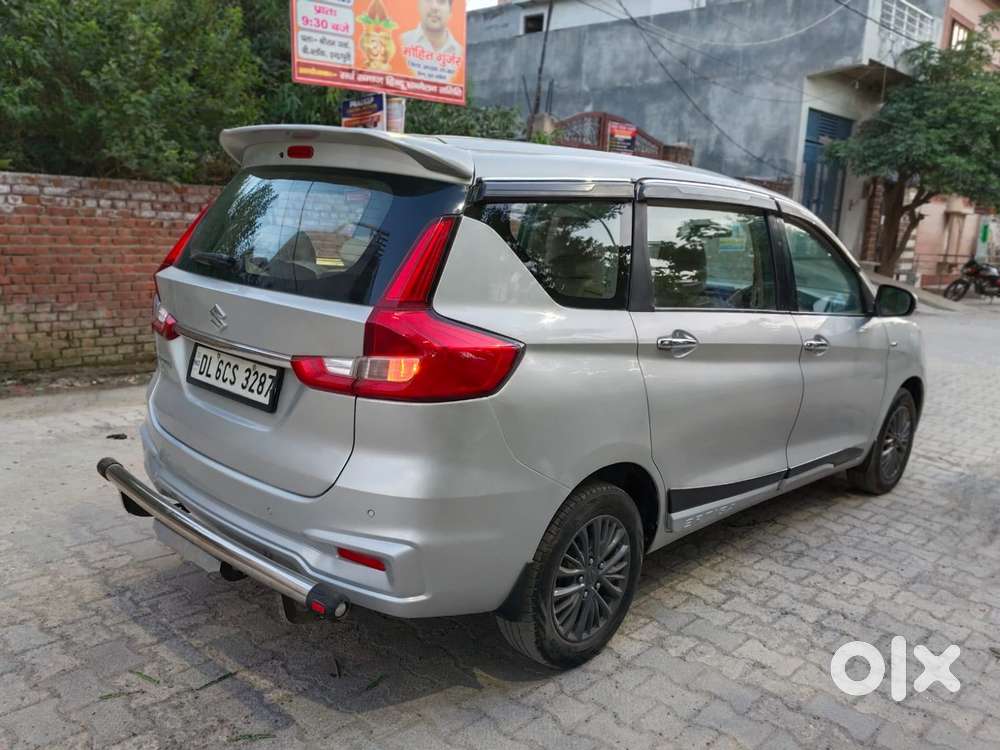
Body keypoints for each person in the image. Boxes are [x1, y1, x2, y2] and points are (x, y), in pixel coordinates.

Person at [401, 0, 462, 82]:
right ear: (418, 5)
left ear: (450, 11)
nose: (434, 7)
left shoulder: (460, 52)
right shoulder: (402, 41)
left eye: (441, 1)